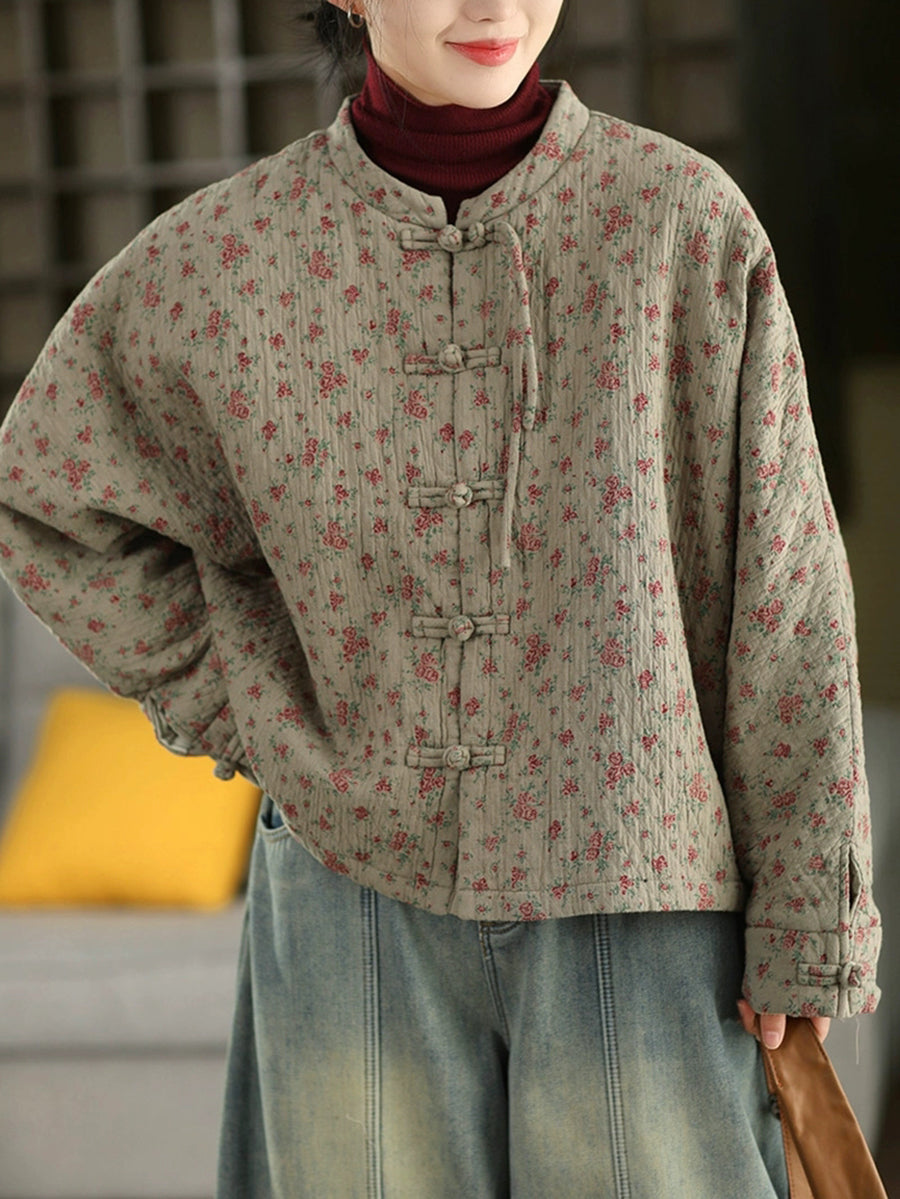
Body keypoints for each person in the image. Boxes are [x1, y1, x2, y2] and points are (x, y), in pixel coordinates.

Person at [0, 1, 881, 1195]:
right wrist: (250, 703)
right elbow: (45, 493)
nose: (495, 6)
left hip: (639, 898)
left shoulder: (681, 224)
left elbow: (786, 598)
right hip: (349, 906)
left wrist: (809, 918)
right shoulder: (228, 259)